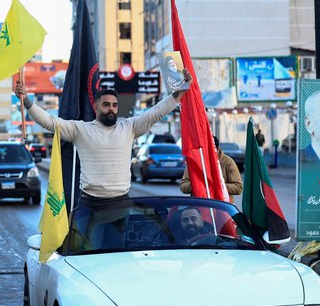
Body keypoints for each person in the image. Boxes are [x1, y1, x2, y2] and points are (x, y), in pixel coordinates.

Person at [14, 71, 191, 207]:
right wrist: (27, 101)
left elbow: (157, 111)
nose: (111, 109)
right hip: (89, 205)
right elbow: (50, 122)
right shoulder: (81, 129)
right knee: (89, 254)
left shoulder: (129, 127)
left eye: (114, 105)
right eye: (106, 105)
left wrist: (181, 89)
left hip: (121, 203)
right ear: (95, 106)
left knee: (119, 254)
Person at [180, 135, 243, 203]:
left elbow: (238, 187)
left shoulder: (228, 162)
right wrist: (199, 184)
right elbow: (183, 186)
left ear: (217, 148)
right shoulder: (194, 162)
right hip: (199, 204)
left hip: (222, 205)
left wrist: (217, 185)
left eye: (211, 150)